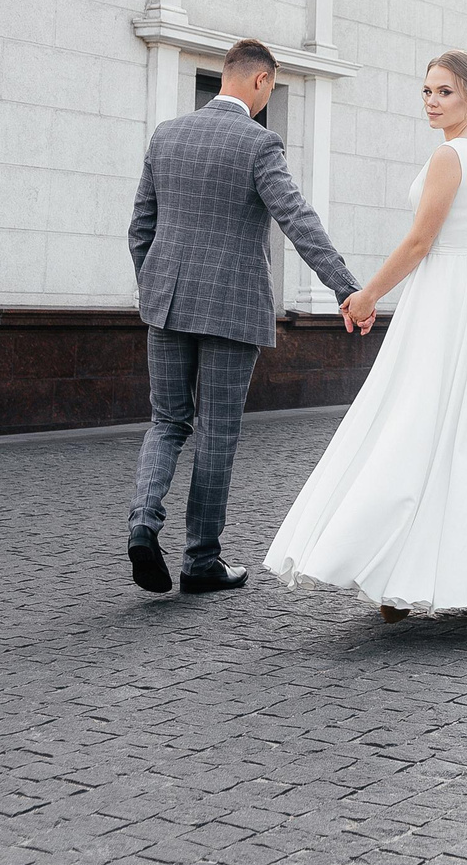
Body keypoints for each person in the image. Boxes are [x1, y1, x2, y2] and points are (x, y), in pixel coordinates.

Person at [266, 50, 467, 622]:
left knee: (416, 420)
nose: (430, 101)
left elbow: (420, 242)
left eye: (444, 92)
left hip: (448, 294)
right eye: (426, 91)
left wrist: (368, 293)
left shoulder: (451, 156)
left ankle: (392, 572)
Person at [127, 39, 365, 596]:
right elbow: (297, 219)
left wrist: (158, 285)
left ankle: (143, 522)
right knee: (217, 433)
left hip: (166, 304)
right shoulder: (259, 144)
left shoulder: (167, 136)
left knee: (167, 421)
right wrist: (346, 288)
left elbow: (141, 227)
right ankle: (200, 560)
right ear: (260, 82)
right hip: (232, 308)